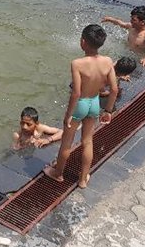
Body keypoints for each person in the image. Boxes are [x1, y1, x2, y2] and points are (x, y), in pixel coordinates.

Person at [44, 24, 117, 188]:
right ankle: (83, 179)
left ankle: (58, 173)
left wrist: (68, 114)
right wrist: (108, 111)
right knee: (87, 141)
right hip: (94, 103)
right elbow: (114, 89)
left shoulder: (77, 63)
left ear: (83, 42)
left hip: (80, 104)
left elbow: (76, 93)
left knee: (67, 142)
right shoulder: (107, 61)